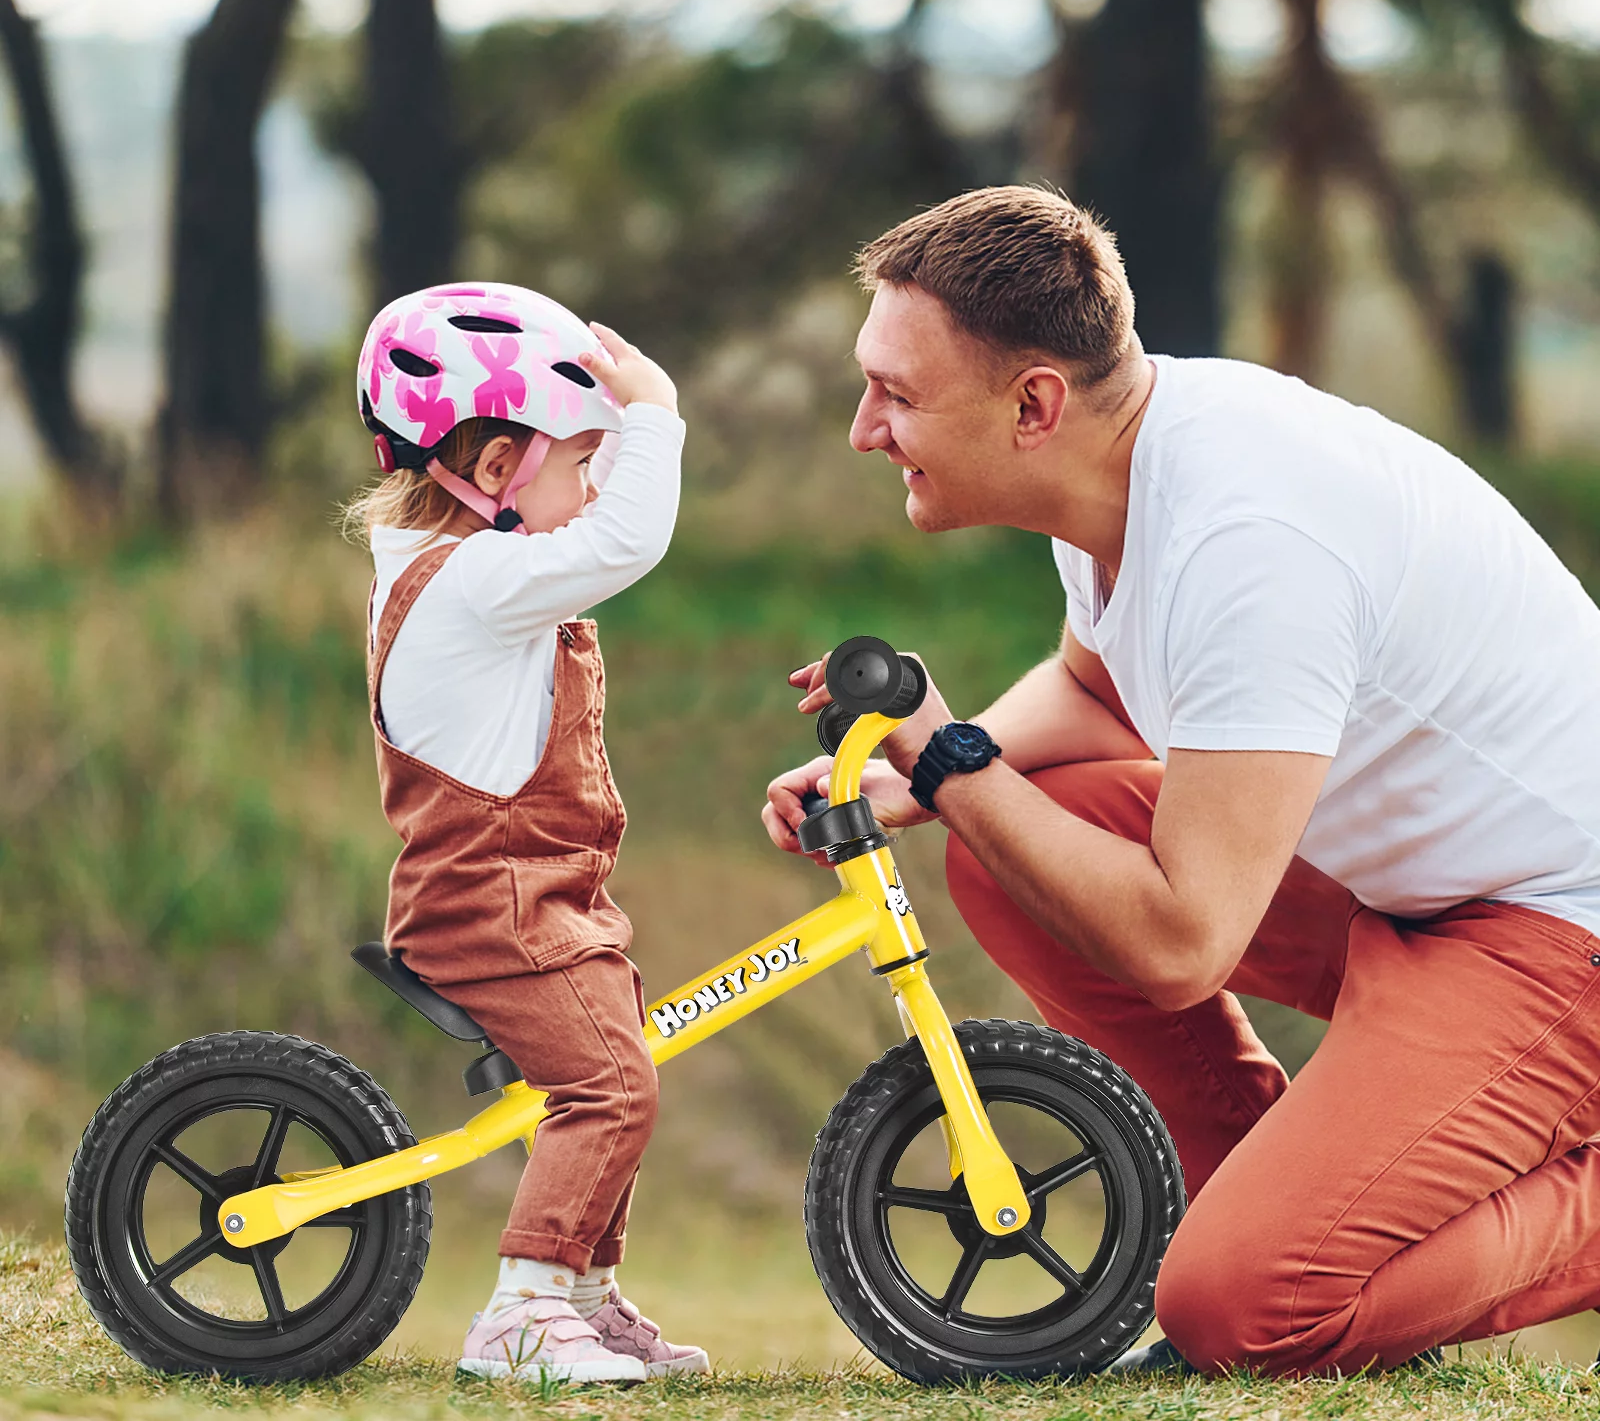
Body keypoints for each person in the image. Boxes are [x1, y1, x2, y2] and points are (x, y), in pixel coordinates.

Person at [762, 187, 1600, 1377]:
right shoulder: (1120, 461)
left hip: (1556, 932)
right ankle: (1266, 1191)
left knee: (1242, 1313)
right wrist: (916, 778)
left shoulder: (1250, 539)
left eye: (897, 394)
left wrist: (952, 754)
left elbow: (1177, 944)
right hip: (1407, 889)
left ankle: (1285, 1261)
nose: (863, 428)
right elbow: (1096, 692)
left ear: (1032, 402)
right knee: (1006, 850)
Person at [350, 282, 707, 1384]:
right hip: (492, 908)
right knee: (611, 1084)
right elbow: (629, 539)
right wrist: (655, 416)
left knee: (617, 1065)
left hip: (540, 897)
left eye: (603, 458)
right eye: (580, 457)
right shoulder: (469, 581)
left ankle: (584, 1297)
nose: (595, 483)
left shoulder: (474, 572)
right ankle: (524, 1310)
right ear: (495, 468)